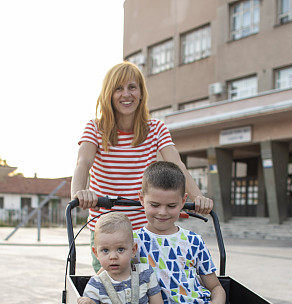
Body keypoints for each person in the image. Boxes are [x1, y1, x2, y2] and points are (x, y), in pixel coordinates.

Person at [70, 61, 213, 273]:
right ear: (109, 93)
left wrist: (198, 197)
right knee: (111, 288)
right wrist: (79, 193)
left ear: (141, 93)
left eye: (132, 87)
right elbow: (83, 163)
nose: (126, 94)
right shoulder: (96, 128)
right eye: (119, 88)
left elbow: (177, 164)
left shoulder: (155, 128)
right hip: (107, 225)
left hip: (143, 226)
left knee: (152, 286)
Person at [132, 161, 249, 304]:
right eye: (154, 204)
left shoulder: (193, 241)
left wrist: (217, 303)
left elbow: (215, 286)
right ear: (141, 198)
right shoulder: (133, 243)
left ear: (184, 201)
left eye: (171, 205)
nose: (163, 212)